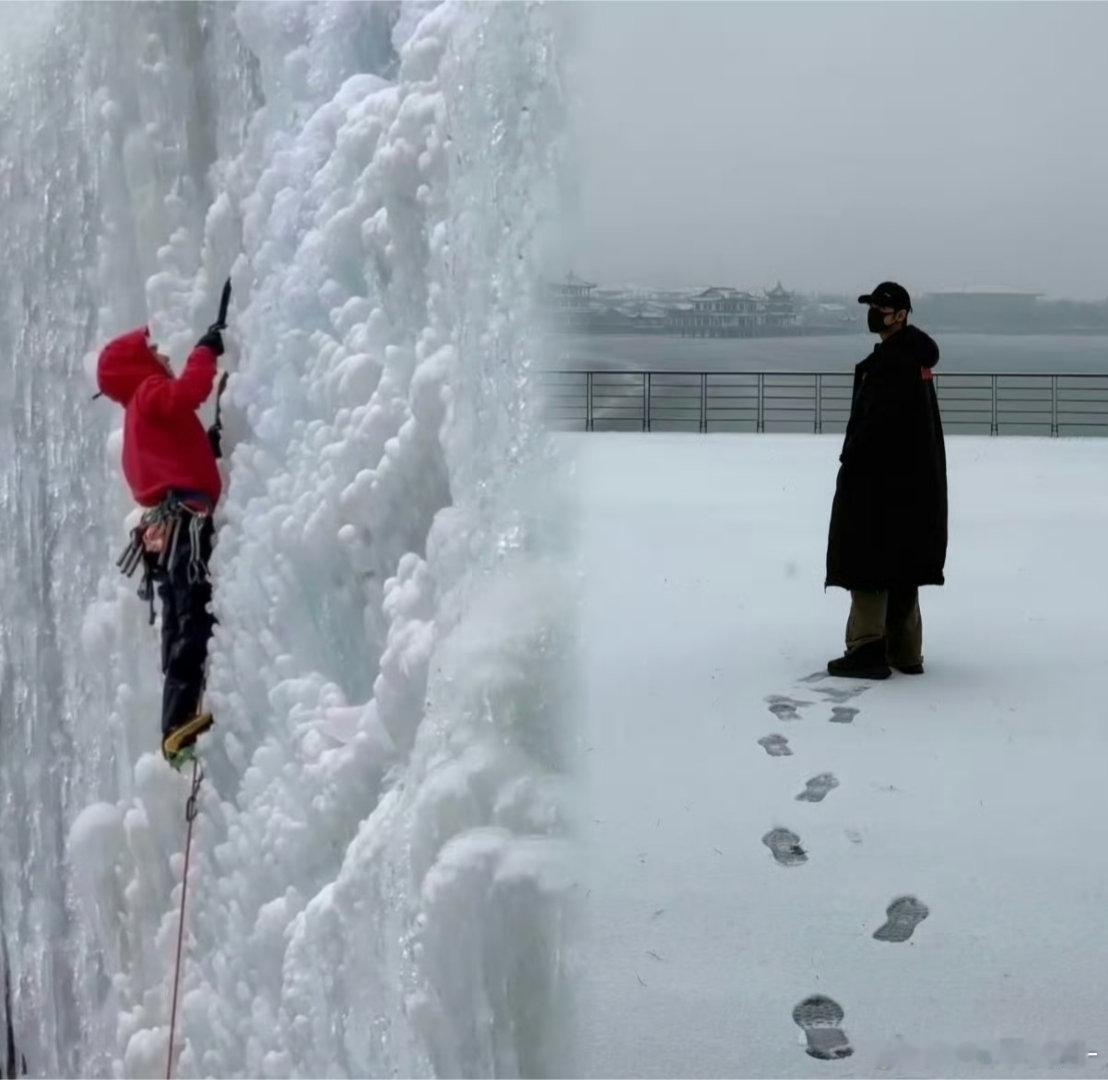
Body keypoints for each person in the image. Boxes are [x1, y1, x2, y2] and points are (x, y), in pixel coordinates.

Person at [96, 323, 226, 761]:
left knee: (177, 616)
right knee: (194, 609)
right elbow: (189, 392)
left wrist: (208, 445)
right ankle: (178, 721)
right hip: (185, 522)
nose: (162, 356)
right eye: (152, 351)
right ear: (138, 365)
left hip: (165, 531)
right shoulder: (149, 391)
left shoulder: (137, 418)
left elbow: (173, 457)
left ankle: (175, 722)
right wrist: (205, 352)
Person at [825, 281, 947, 679]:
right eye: (872, 305)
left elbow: (876, 427)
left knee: (867, 559)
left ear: (901, 314)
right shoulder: (914, 359)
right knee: (903, 559)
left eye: (880, 307)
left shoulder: (892, 364)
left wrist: (852, 460)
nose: (873, 312)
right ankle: (906, 650)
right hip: (914, 480)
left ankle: (866, 649)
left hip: (879, 481)